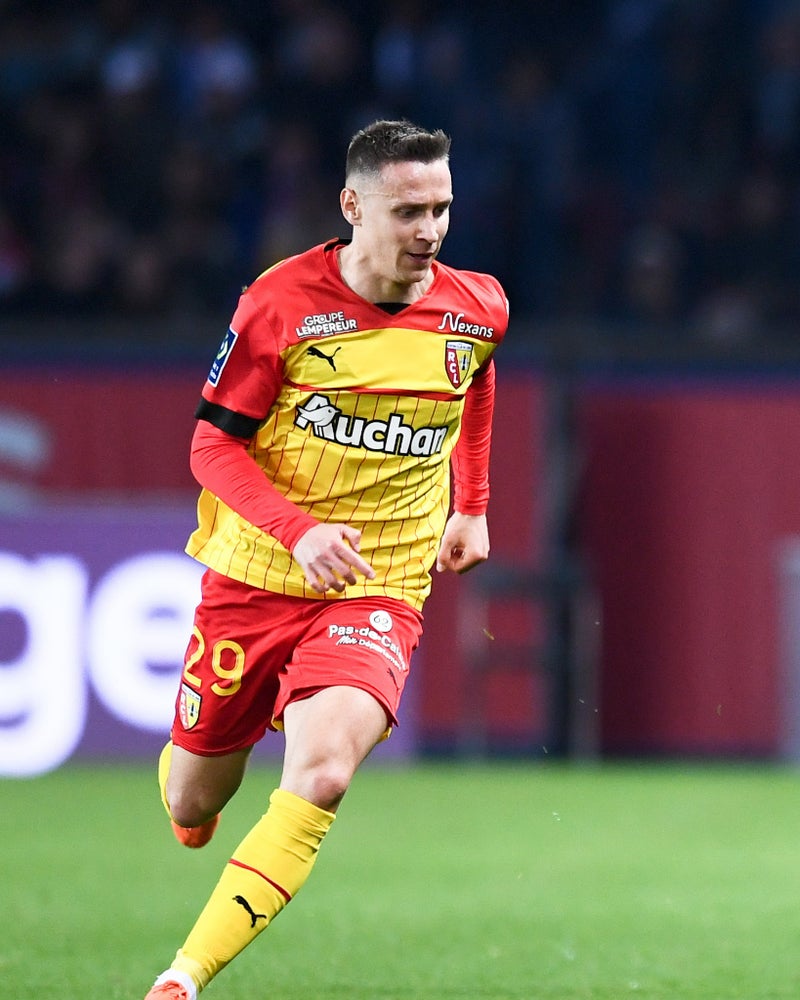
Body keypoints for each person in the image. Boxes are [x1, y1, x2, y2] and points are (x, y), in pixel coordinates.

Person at [146, 119, 507, 1000]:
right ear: (353, 205)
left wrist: (472, 505)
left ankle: (182, 979)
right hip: (256, 577)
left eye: (443, 209)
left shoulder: (478, 305)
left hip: (380, 581)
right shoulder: (279, 305)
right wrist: (298, 530)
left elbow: (476, 378)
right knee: (195, 801)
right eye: (409, 210)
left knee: (325, 772)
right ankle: (229, 746)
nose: (430, 230)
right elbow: (210, 449)